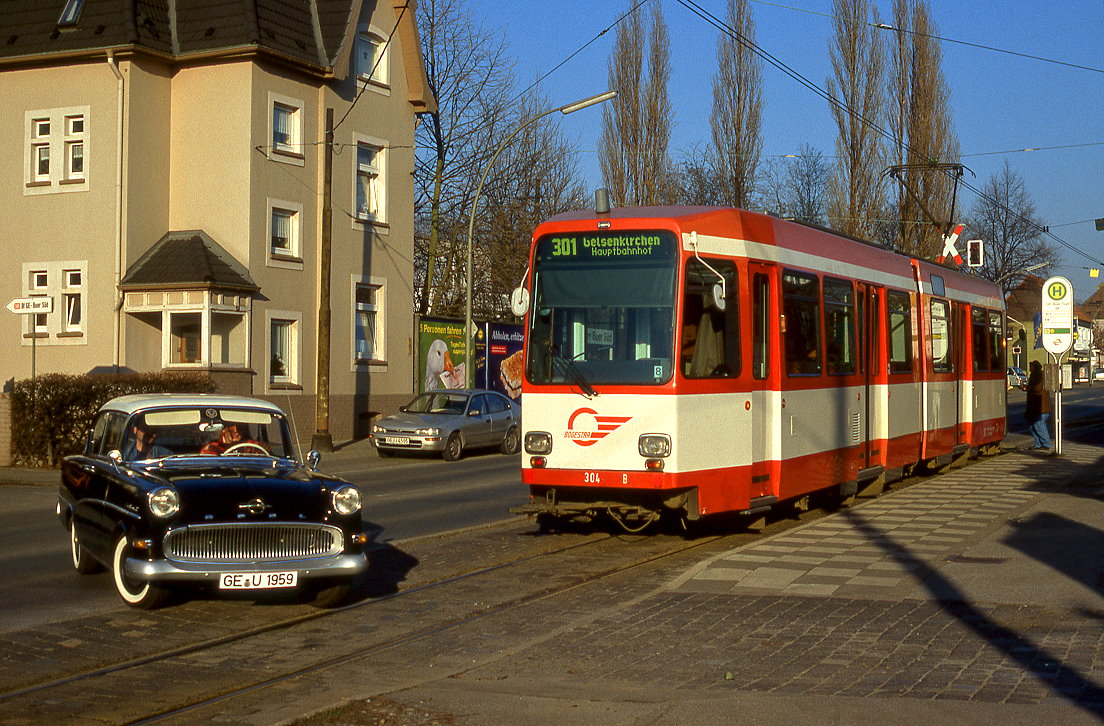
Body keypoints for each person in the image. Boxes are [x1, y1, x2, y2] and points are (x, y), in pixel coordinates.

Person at [1025, 360, 1052, 451]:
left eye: (1031, 367)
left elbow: (1037, 388)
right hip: (1035, 406)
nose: (1029, 369)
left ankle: (1046, 443)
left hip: (1041, 406)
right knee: (1033, 425)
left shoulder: (1039, 376)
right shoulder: (1035, 375)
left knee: (1038, 424)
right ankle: (1038, 444)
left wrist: (1027, 388)